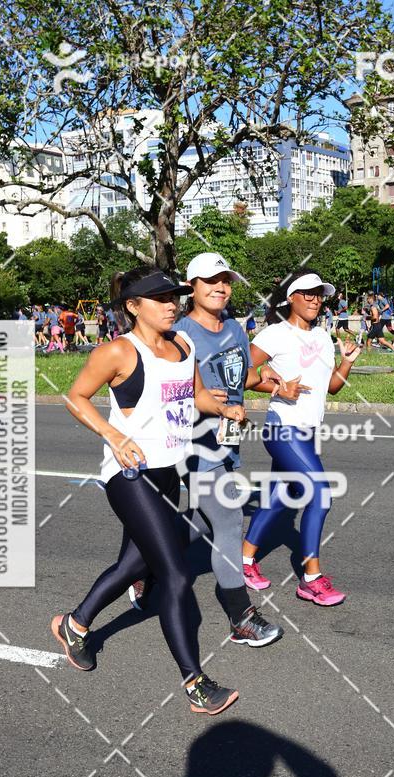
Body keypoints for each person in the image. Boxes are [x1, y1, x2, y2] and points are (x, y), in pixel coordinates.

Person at [51, 265, 242, 716]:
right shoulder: (119, 351)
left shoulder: (183, 344)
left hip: (167, 472)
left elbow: (192, 394)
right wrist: (114, 437)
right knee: (175, 575)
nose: (172, 303)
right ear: (133, 306)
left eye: (174, 295)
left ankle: (74, 625)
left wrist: (224, 408)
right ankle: (196, 682)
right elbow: (76, 397)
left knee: (132, 562)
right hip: (130, 476)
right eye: (160, 298)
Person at [129, 251, 285, 648]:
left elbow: (240, 374)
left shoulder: (233, 328)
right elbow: (168, 391)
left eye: (226, 280)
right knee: (230, 519)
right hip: (192, 443)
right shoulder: (178, 334)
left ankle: (145, 563)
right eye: (211, 280)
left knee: (200, 521)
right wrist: (208, 403)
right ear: (192, 288)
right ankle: (240, 616)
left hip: (227, 437)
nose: (220, 287)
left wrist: (263, 375)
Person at [241, 268, 361, 607]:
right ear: (290, 298)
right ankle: (310, 579)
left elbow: (332, 388)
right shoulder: (275, 335)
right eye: (307, 293)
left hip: (307, 433)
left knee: (281, 493)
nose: (314, 300)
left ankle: (244, 559)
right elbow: (243, 376)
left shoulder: (322, 338)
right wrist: (278, 385)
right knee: (319, 494)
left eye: (319, 294)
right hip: (282, 428)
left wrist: (347, 362)